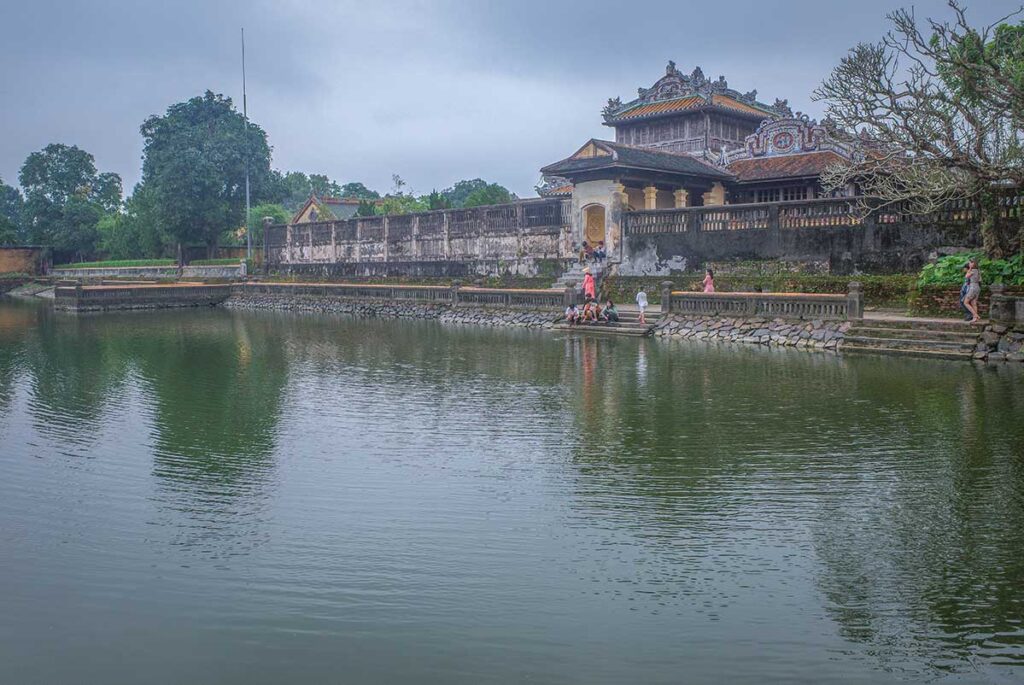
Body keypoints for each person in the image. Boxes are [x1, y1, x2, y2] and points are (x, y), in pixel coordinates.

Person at [963, 258, 982, 324]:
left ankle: (975, 315)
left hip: (972, 287)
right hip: (977, 287)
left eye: (970, 263)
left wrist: (970, 268)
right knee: (974, 303)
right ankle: (975, 318)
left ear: (973, 263)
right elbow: (980, 280)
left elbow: (966, 276)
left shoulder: (972, 271)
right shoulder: (978, 271)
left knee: (966, 302)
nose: (969, 264)